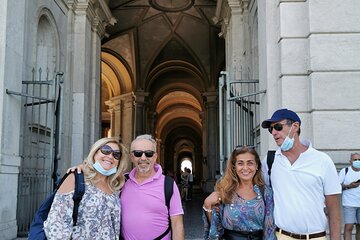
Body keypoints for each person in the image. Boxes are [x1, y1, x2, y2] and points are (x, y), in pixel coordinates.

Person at [260, 108, 341, 240]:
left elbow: (334, 211)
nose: (274, 132)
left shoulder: (322, 160)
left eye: (278, 127)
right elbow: (249, 187)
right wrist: (217, 196)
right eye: (271, 129)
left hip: (316, 237)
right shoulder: (270, 161)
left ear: (295, 126)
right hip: (282, 236)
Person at [44, 137, 128, 239]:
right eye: (106, 150)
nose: (110, 156)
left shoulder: (115, 186)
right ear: (95, 153)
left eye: (116, 154)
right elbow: (56, 224)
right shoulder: (75, 178)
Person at [203, 145, 276, 240]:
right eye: (240, 163)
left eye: (250, 163)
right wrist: (207, 205)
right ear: (234, 167)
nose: (245, 168)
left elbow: (269, 230)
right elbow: (216, 229)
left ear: (256, 166)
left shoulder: (266, 193)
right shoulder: (225, 192)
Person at [121, 134, 184, 240]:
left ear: (155, 157)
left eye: (149, 154)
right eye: (137, 153)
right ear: (131, 157)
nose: (143, 158)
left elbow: (177, 224)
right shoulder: (122, 182)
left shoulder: (168, 184)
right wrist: (84, 171)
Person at [338, 152, 360, 240]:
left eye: (359, 160)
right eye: (355, 160)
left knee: (359, 227)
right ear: (350, 161)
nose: (357, 161)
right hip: (349, 204)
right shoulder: (345, 171)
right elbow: (336, 187)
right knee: (349, 227)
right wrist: (349, 186)